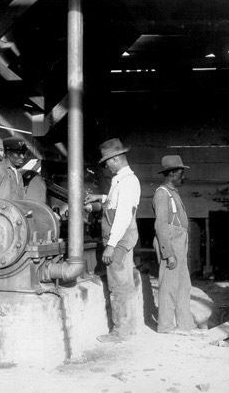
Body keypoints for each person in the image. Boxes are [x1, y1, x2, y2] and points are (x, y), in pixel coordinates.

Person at [84, 138, 141, 342]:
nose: (105, 165)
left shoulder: (126, 182)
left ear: (116, 159)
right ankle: (129, 327)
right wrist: (101, 198)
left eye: (106, 161)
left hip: (119, 239)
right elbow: (115, 202)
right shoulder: (123, 180)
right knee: (125, 282)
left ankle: (120, 331)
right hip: (124, 238)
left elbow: (123, 216)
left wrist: (110, 245)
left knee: (118, 285)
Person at [153, 155, 196, 335]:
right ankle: (165, 326)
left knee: (183, 285)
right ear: (170, 174)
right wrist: (168, 252)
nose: (182, 177)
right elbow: (161, 225)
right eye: (180, 174)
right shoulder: (162, 194)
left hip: (179, 241)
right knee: (169, 285)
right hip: (170, 242)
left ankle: (185, 325)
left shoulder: (173, 193)